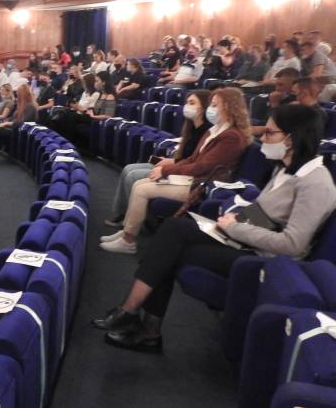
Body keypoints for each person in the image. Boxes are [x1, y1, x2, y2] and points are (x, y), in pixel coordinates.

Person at [92, 103, 336, 352]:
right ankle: (139, 322)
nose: (262, 137)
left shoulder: (316, 183)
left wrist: (234, 228)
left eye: (270, 133)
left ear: (291, 139)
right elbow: (266, 212)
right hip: (245, 239)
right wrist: (236, 218)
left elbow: (292, 244)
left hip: (266, 259)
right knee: (173, 229)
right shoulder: (285, 168)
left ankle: (137, 320)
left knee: (169, 251)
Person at [100, 88, 252, 254]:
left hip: (201, 185)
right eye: (211, 104)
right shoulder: (215, 130)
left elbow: (203, 167)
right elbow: (193, 159)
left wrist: (166, 171)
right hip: (193, 177)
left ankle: (128, 241)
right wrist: (166, 169)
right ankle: (127, 231)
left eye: (216, 105)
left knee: (142, 190)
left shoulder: (231, 137)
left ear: (229, 107)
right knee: (139, 184)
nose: (211, 109)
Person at [104, 90, 211, 227]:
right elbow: (185, 155)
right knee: (128, 169)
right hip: (175, 163)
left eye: (192, 103)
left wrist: (171, 163)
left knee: (133, 175)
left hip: (181, 171)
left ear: (203, 106)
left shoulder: (206, 131)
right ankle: (124, 212)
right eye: (187, 103)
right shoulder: (190, 126)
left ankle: (133, 219)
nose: (187, 106)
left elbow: (194, 161)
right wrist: (169, 160)